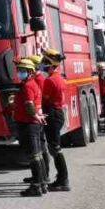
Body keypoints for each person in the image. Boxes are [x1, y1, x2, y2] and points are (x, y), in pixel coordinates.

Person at [10, 57, 47, 197]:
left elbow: (29, 105)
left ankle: (36, 186)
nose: (19, 73)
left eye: (22, 71)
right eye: (19, 70)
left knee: (33, 156)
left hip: (28, 124)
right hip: (33, 124)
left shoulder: (27, 86)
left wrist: (35, 115)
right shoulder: (31, 84)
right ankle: (42, 183)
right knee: (37, 155)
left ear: (30, 72)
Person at [39, 49, 71, 192]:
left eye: (45, 63)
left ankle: (63, 180)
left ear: (52, 65)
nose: (43, 65)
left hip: (52, 113)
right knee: (55, 148)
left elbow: (44, 99)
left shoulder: (50, 80)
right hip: (57, 113)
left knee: (55, 149)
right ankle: (61, 178)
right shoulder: (59, 78)